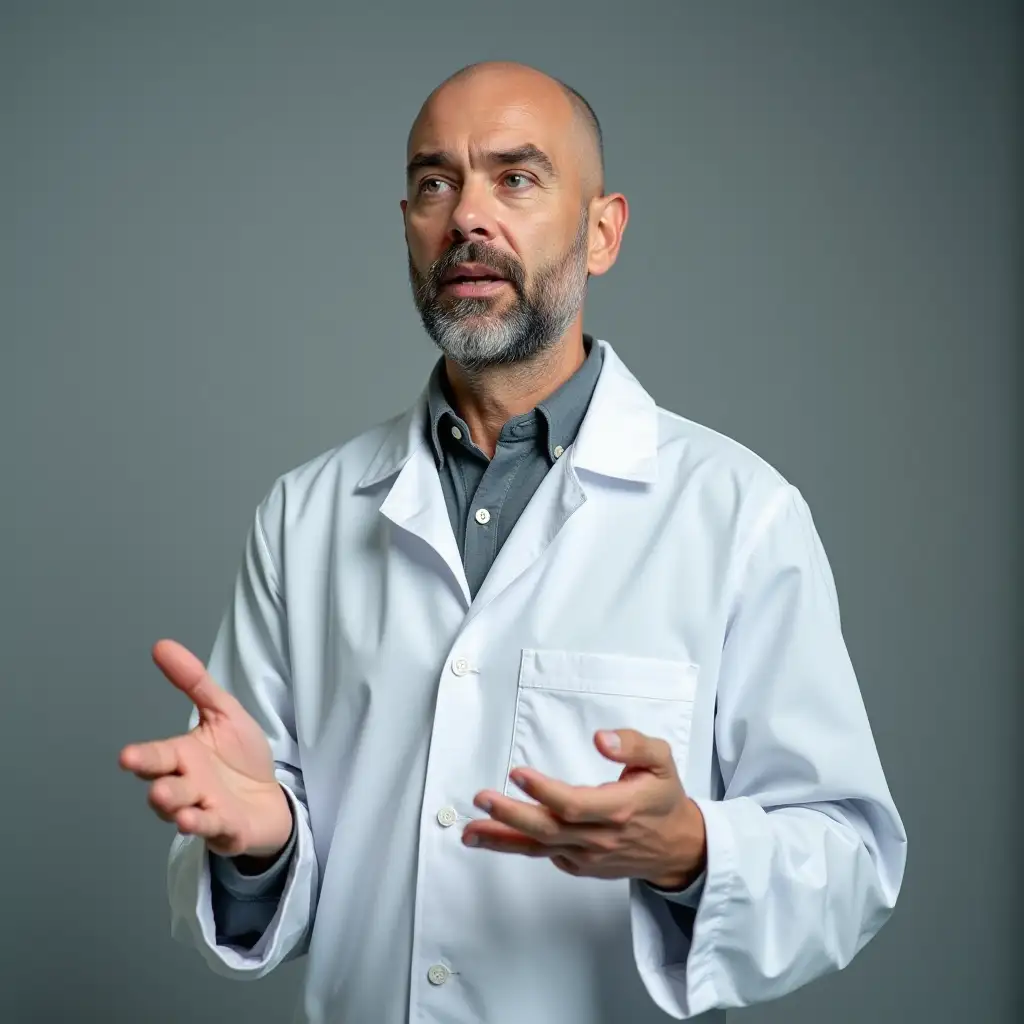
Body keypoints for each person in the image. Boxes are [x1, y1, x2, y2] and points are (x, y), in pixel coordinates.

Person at [119, 61, 907, 1024]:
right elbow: (263, 830)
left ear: (603, 231)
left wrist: (690, 848)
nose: (466, 218)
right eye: (435, 182)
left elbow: (850, 857)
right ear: (407, 222)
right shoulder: (306, 513)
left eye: (516, 178)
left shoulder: (739, 513)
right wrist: (266, 839)